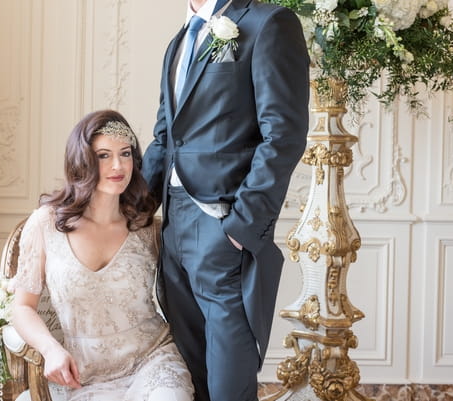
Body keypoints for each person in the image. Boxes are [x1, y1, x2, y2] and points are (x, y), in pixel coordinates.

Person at [141, 0, 310, 400]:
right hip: (173, 221)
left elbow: (283, 135)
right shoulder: (179, 40)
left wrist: (242, 225)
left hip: (222, 223)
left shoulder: (269, 23)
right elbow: (166, 137)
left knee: (228, 383)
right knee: (191, 372)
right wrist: (132, 211)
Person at [10, 110, 194, 401]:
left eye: (125, 153)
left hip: (151, 361)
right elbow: (22, 307)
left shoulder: (145, 226)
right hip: (82, 374)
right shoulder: (46, 224)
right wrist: (50, 349)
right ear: (81, 161)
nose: (118, 165)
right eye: (103, 156)